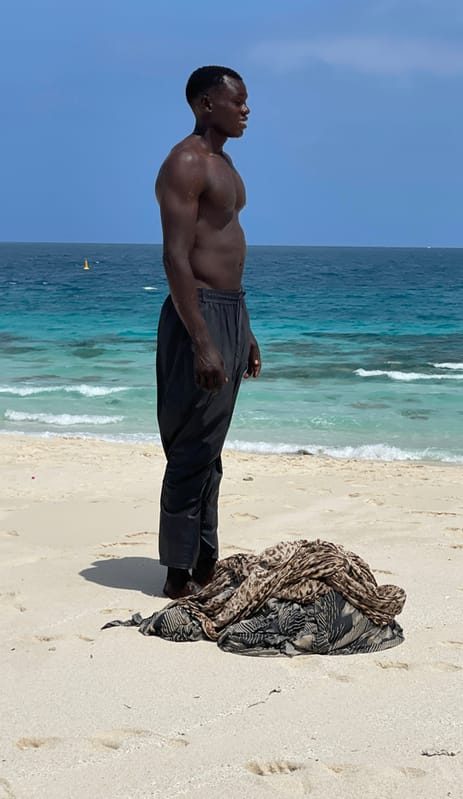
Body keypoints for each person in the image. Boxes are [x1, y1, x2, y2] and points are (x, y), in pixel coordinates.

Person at [155, 65, 261, 599]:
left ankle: (204, 564)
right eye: (236, 101)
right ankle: (178, 576)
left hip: (230, 311)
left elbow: (226, 247)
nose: (246, 109)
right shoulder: (186, 163)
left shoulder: (226, 163)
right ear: (204, 104)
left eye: (246, 101)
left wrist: (245, 333)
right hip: (196, 313)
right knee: (192, 445)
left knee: (211, 447)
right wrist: (202, 341)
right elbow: (176, 258)